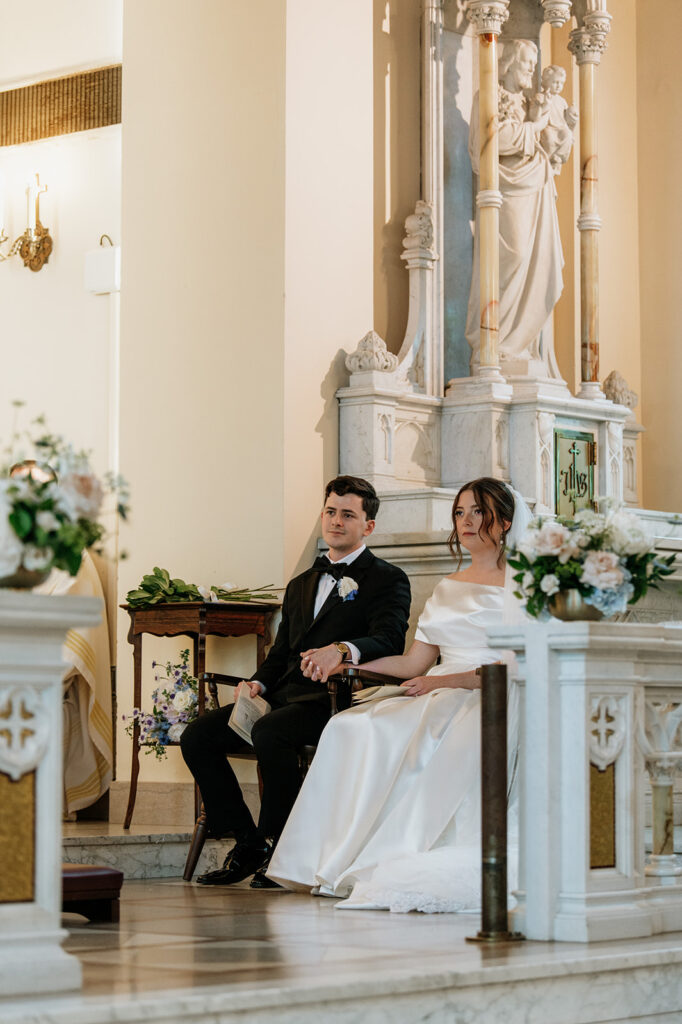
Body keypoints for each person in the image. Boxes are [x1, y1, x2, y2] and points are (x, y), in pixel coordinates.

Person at [267, 477, 532, 913]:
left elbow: (512, 666)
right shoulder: (448, 587)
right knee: (350, 726)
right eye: (460, 512)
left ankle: (395, 850)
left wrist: (439, 683)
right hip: (435, 689)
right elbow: (413, 665)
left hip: (486, 693)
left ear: (504, 523)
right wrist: (345, 661)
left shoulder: (522, 585)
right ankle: (325, 858)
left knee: (422, 732)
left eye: (479, 512)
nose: (466, 521)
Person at [180, 475, 411, 888]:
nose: (336, 521)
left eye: (347, 515)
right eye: (330, 512)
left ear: (368, 526)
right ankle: (249, 841)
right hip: (282, 699)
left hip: (335, 701)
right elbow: (281, 653)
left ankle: (280, 849)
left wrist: (341, 650)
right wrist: (257, 685)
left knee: (272, 733)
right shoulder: (302, 583)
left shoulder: (388, 578)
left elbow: (389, 638)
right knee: (198, 735)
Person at [465, 39, 565, 379]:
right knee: (515, 256)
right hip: (506, 194)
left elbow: (554, 146)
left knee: (539, 260)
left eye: (534, 66)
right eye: (526, 65)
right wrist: (535, 127)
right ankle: (496, 347)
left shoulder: (530, 103)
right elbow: (493, 142)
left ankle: (521, 344)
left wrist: (563, 131)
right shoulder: (488, 97)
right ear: (508, 64)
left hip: (536, 190)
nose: (531, 72)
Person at [529, 65, 578, 172]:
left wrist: (572, 116)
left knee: (567, 135)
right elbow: (533, 115)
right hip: (547, 127)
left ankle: (558, 157)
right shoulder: (540, 97)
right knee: (549, 138)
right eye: (555, 82)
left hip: (560, 127)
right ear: (546, 81)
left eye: (561, 83)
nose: (558, 86)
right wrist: (543, 106)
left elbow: (567, 121)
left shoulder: (562, 101)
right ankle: (546, 159)